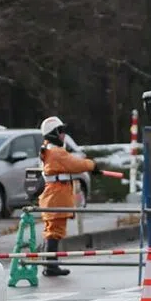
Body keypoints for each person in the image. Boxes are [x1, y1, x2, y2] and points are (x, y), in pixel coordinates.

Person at [38, 116, 100, 277]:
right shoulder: (56, 152)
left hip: (53, 194)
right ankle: (50, 265)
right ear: (53, 133)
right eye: (60, 132)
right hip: (56, 195)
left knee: (52, 230)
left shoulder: (48, 149)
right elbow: (75, 164)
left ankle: (50, 264)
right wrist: (92, 165)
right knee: (54, 231)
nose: (63, 135)